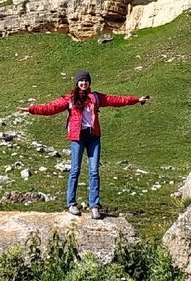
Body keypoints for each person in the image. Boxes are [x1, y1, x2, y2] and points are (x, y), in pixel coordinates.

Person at [19, 70, 149, 218]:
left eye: (86, 81)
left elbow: (116, 100)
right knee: (75, 170)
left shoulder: (96, 98)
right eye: (81, 81)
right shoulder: (70, 99)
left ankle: (94, 206)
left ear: (89, 83)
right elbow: (51, 108)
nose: (84, 83)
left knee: (94, 171)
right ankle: (71, 204)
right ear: (77, 83)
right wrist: (31, 109)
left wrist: (136, 99)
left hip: (93, 137)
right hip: (77, 137)